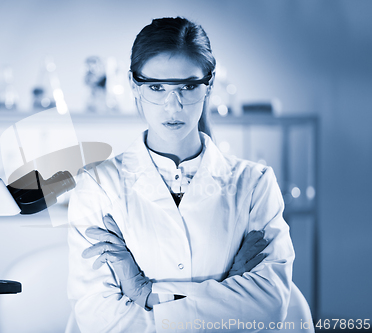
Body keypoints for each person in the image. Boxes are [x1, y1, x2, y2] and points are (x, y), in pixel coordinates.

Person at [67, 17, 296, 332]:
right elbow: (99, 320)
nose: (172, 105)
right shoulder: (98, 186)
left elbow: (269, 306)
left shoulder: (255, 183)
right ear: (135, 86)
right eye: (157, 87)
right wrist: (226, 287)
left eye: (187, 86)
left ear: (208, 86)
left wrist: (145, 293)